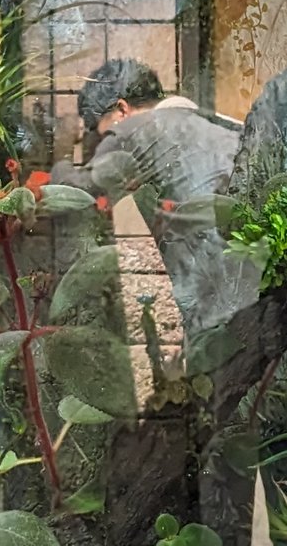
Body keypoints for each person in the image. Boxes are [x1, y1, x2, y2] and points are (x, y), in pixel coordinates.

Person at [71, 58, 260, 338]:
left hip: (203, 307)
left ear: (121, 110)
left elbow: (78, 191)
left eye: (102, 132)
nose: (103, 142)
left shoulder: (130, 131)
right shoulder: (230, 127)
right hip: (257, 289)